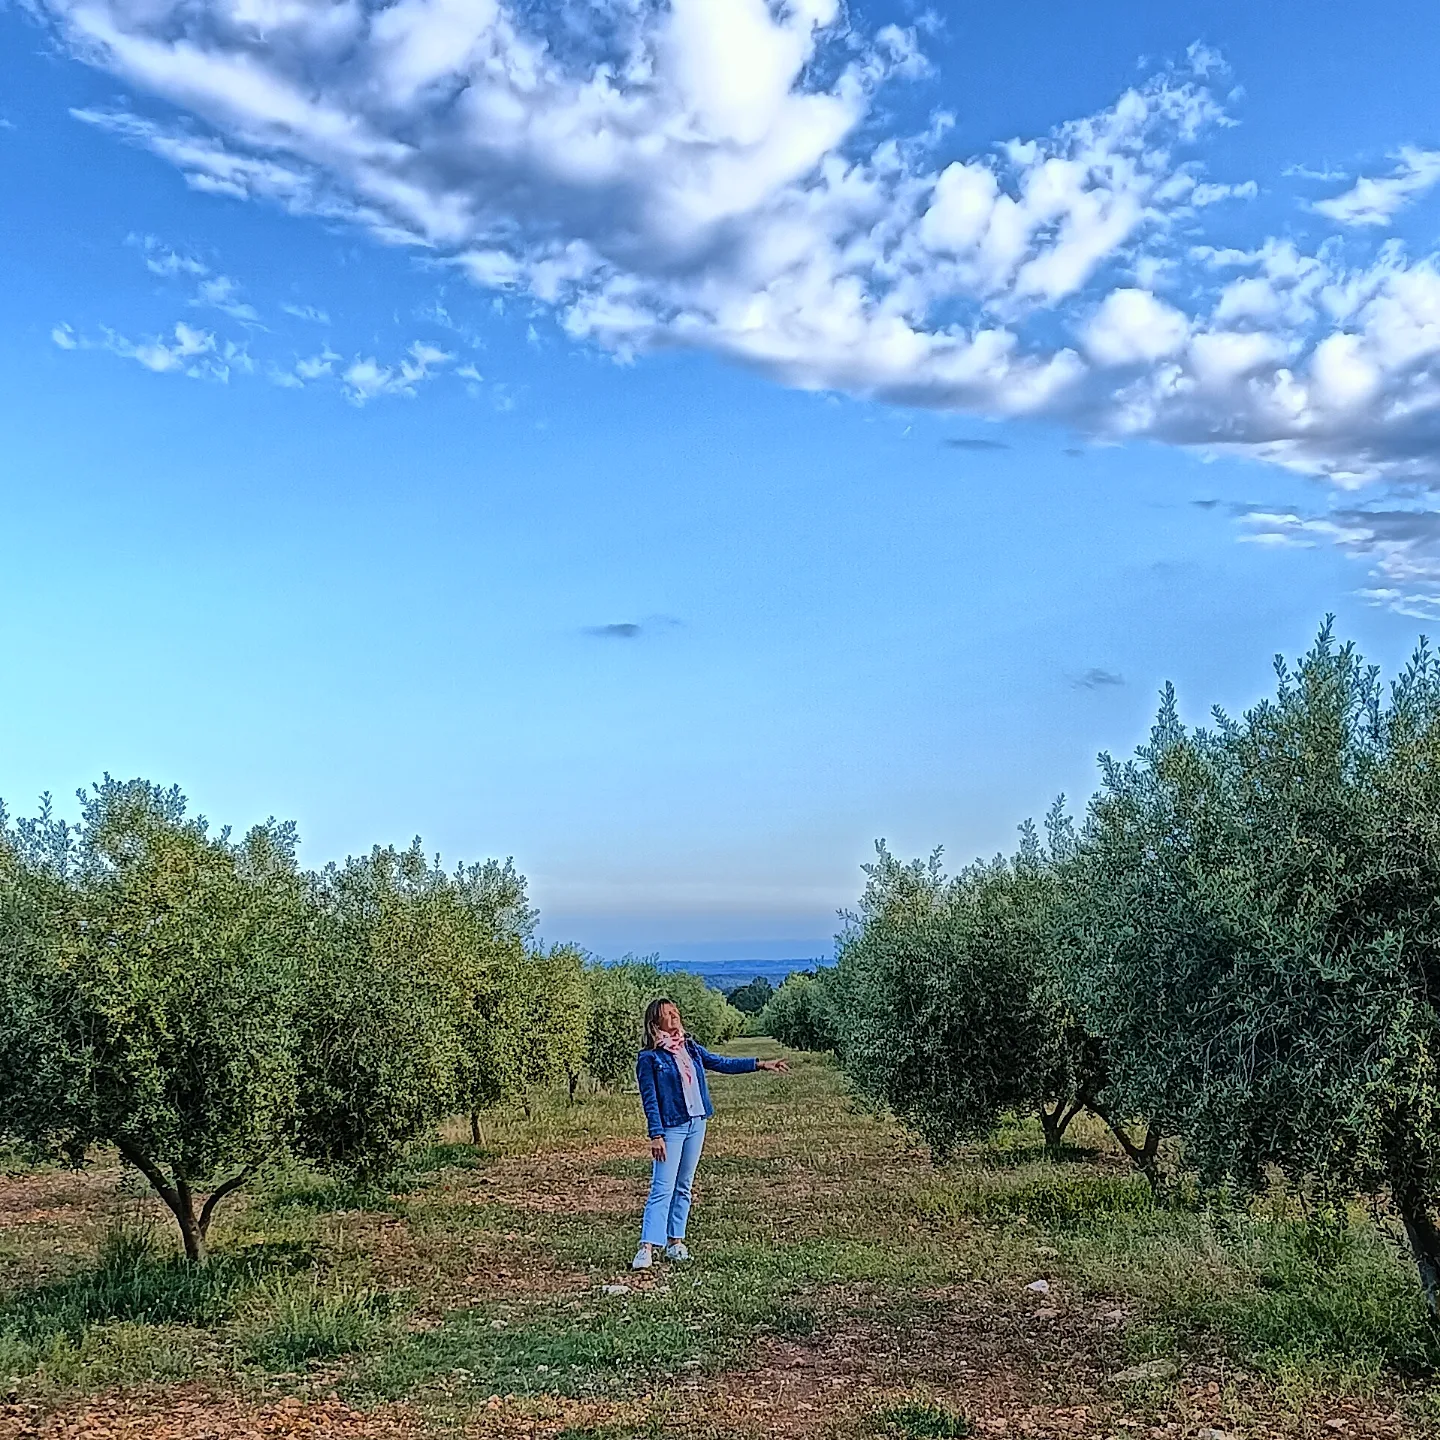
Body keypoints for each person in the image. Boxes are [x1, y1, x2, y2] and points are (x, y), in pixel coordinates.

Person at [631, 997, 789, 1270]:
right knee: (662, 1187)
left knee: (684, 1186)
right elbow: (650, 1099)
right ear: (655, 1022)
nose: (674, 1016)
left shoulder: (689, 1048)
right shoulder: (649, 1058)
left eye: (675, 1011)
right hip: (671, 1127)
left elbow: (721, 1063)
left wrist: (761, 1064)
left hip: (696, 1124)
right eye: (667, 1014)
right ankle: (646, 1247)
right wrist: (655, 1134)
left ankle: (675, 1242)